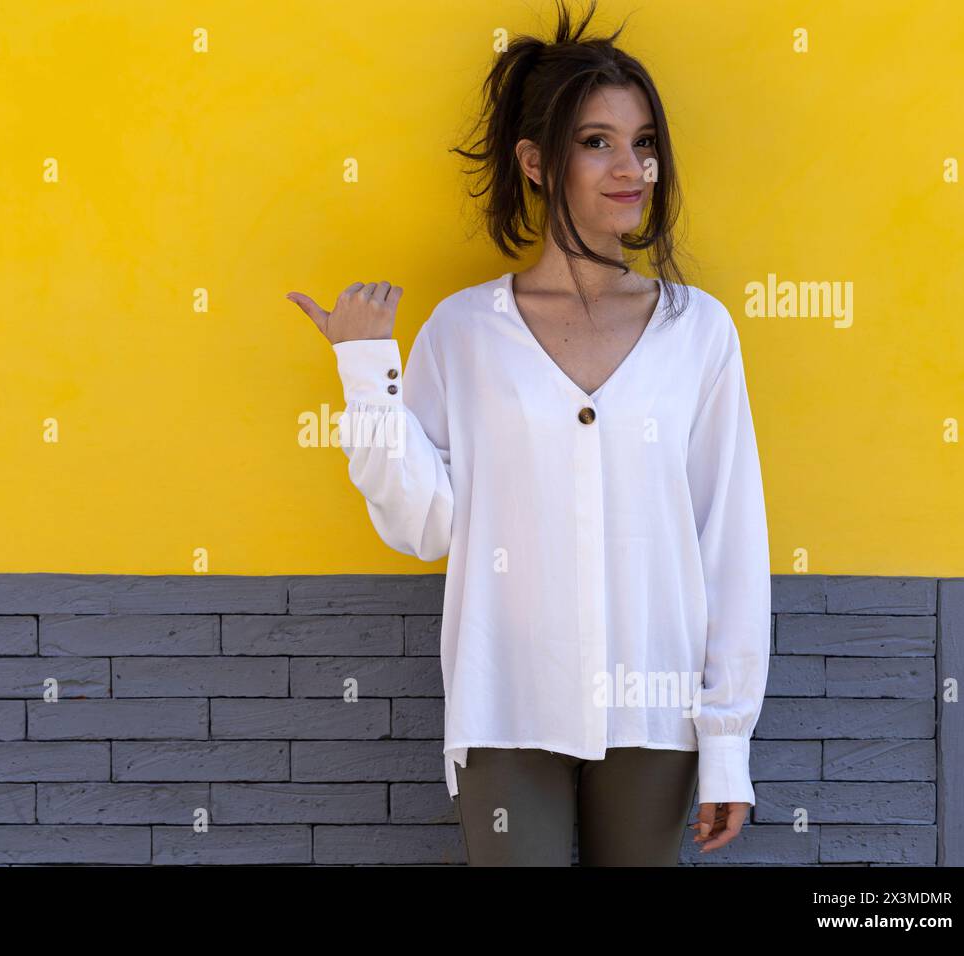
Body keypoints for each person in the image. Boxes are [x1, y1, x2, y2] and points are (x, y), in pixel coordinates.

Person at [287, 0, 770, 866]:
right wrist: (367, 375)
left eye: (644, 141)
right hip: (507, 698)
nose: (633, 167)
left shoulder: (699, 332)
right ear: (536, 161)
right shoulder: (465, 333)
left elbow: (729, 541)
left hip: (655, 704)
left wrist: (727, 740)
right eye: (598, 142)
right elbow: (424, 526)